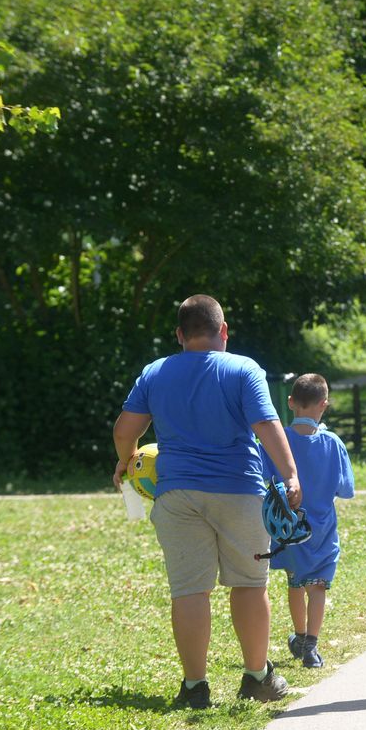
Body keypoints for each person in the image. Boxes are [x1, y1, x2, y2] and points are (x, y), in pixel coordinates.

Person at [111, 294, 302, 709]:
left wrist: (125, 463)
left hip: (176, 494)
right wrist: (289, 473)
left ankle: (194, 688)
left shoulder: (155, 372)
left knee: (189, 591)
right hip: (239, 491)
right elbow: (267, 424)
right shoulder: (243, 368)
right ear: (224, 332)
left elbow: (126, 429)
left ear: (180, 335)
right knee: (250, 585)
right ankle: (256, 678)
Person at [259, 372, 355, 670]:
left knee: (295, 582)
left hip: (289, 527)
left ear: (290, 402)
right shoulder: (333, 443)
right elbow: (346, 489)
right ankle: (311, 646)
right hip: (323, 529)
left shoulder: (278, 441)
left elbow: (263, 476)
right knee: (317, 587)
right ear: (323, 405)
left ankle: (299, 637)